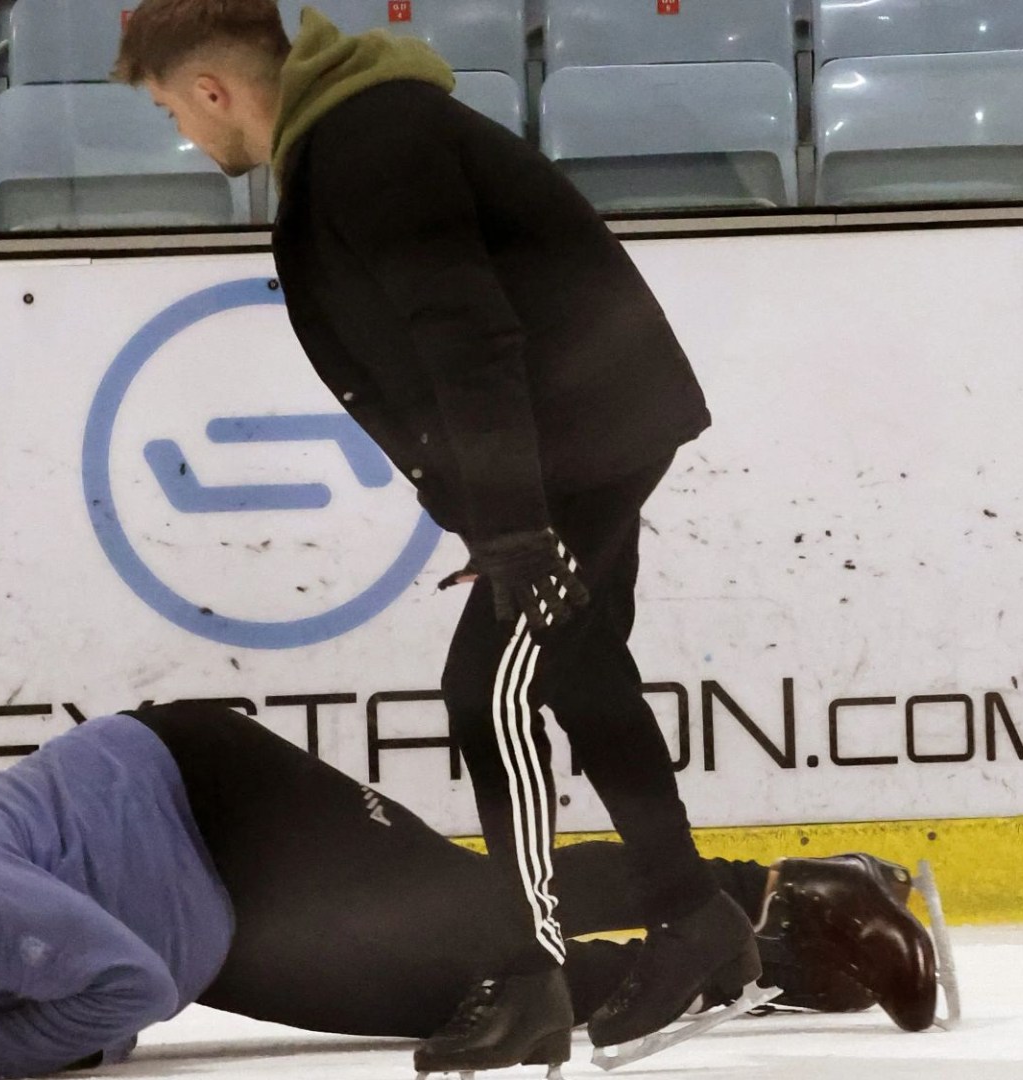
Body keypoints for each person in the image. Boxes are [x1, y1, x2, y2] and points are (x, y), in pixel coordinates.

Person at [113, 4, 743, 1072]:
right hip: (580, 442)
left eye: (175, 109)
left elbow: (469, 336)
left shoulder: (368, 143)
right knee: (580, 668)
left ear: (212, 90)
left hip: (579, 443)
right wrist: (498, 515)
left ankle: (532, 973)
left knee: (485, 692)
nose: (185, 133)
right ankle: (698, 920)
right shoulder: (352, 136)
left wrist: (512, 524)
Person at [0, 704, 938, 1080]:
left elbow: (129, 990)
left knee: (464, 910)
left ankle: (790, 884)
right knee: (451, 999)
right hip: (195, 912)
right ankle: (778, 959)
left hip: (204, 792)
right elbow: (118, 1005)